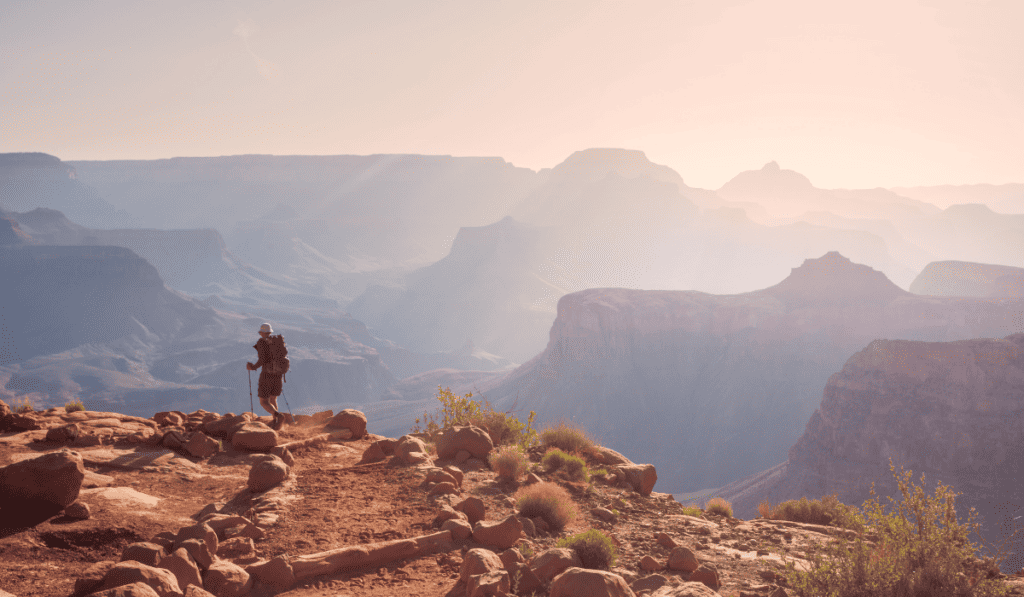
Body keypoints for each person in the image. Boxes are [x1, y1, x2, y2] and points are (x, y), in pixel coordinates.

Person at [247, 322, 285, 430]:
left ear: (261, 333)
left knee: (264, 401)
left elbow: (263, 360)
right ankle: (275, 422)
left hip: (267, 376)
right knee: (273, 399)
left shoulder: (261, 342)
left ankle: (278, 416)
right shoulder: (277, 342)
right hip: (278, 376)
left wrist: (253, 367)